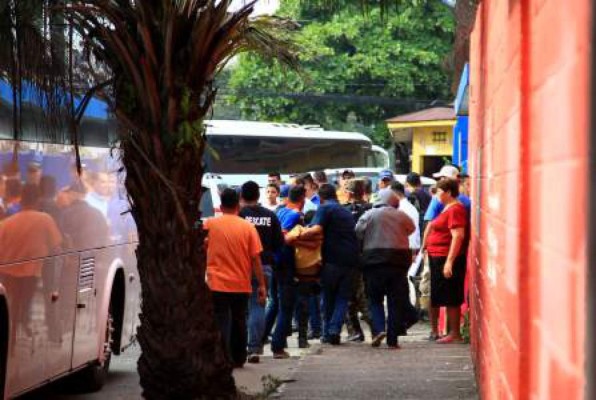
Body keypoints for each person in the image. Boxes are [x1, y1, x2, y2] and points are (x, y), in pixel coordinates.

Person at [204, 188, 266, 368]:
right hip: (240, 283)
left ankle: (223, 357)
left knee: (221, 319)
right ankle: (238, 357)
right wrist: (261, 285)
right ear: (238, 204)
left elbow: (200, 247)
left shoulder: (209, 224)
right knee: (239, 320)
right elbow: (255, 259)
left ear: (221, 206)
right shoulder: (248, 227)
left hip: (216, 283)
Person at [299, 184, 359, 345]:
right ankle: (334, 331)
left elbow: (316, 229)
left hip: (332, 260)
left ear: (321, 197)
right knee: (342, 298)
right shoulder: (345, 211)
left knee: (328, 297)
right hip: (351, 260)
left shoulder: (325, 208)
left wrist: (298, 233)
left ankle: (327, 334)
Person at [355, 189, 415, 349]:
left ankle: (379, 329)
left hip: (373, 262)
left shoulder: (369, 214)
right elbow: (412, 229)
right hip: (398, 263)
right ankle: (393, 339)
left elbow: (358, 232)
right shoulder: (402, 216)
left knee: (375, 299)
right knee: (395, 301)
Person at [239, 181, 284, 363]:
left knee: (240, 308)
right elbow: (280, 243)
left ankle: (238, 347)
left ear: (242, 196)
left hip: (241, 267)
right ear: (258, 197)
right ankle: (254, 348)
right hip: (264, 266)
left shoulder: (240, 215)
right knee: (258, 306)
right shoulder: (270, 215)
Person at [421, 179, 469, 344]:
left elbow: (458, 236)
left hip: (446, 256)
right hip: (437, 256)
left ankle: (454, 332)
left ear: (448, 192)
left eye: (440, 192)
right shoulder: (446, 208)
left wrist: (449, 261)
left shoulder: (455, 209)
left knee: (451, 294)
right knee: (444, 293)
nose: (437, 195)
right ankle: (450, 331)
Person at [269, 185, 305, 358]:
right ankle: (277, 346)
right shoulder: (295, 215)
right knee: (286, 306)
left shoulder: (279, 211)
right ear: (303, 199)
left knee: (274, 303)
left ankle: (259, 341)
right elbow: (284, 235)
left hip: (273, 262)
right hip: (286, 265)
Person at [342, 178, 373, 342]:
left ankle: (358, 330)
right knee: (364, 296)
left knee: (350, 297)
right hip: (369, 257)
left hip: (349, 259)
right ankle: (375, 328)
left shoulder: (344, 210)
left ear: (349, 193)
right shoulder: (371, 209)